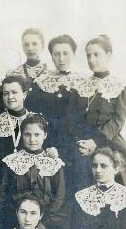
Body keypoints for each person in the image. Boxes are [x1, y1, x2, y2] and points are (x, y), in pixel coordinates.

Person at [76, 35, 126, 189]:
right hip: (83, 142)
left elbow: (118, 120)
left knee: (121, 174)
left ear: (108, 55)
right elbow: (74, 117)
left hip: (110, 139)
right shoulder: (81, 85)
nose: (92, 60)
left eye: (96, 55)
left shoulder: (119, 85)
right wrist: (82, 142)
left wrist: (95, 141)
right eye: (88, 56)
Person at [28, 34, 87, 190]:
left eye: (65, 53)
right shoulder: (41, 82)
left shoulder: (83, 83)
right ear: (51, 57)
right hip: (46, 143)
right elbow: (33, 116)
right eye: (56, 54)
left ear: (73, 54)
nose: (61, 58)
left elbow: (84, 120)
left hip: (73, 146)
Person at [0, 114, 67, 229]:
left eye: (37, 135)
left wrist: (44, 223)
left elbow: (60, 196)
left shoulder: (54, 162)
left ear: (45, 135)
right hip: (15, 221)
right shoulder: (12, 161)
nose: (32, 139)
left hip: (46, 224)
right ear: (22, 135)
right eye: (27, 134)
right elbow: (3, 193)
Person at [0, 75, 36, 164]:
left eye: (14, 92)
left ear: (24, 95)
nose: (10, 97)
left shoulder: (36, 121)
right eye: (6, 93)